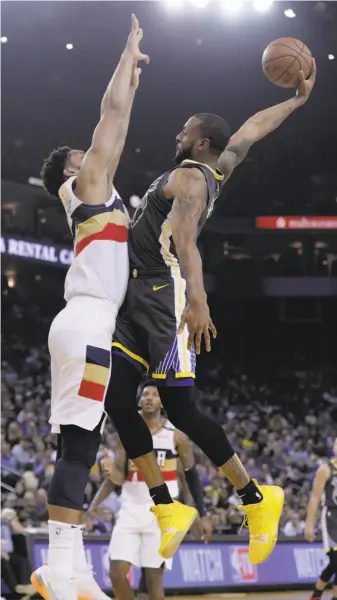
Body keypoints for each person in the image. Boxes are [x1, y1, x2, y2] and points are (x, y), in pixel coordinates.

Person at [103, 61, 317, 565]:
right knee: (116, 397)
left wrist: (197, 300)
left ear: (199, 143)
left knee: (181, 410)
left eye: (187, 129)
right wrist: (296, 101)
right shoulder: (218, 163)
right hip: (136, 297)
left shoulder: (188, 179)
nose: (178, 132)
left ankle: (256, 499)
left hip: (163, 293)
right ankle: (166, 507)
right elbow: (250, 131)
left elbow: (185, 242)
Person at [30, 15, 150, 600]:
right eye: (87, 152)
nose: (95, 149)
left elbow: (118, 123)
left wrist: (131, 78)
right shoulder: (88, 187)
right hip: (87, 321)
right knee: (78, 445)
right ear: (73, 172)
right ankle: (58, 566)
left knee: (79, 444)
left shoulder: (97, 191)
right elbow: (112, 116)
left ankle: (72, 570)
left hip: (84, 321)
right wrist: (125, 57)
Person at [90, 381, 212, 600]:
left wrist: (199, 514)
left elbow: (189, 477)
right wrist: (95, 501)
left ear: (162, 402)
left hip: (162, 512)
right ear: (138, 400)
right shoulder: (126, 433)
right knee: (117, 573)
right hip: (130, 509)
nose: (148, 398)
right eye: (145, 394)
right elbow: (119, 478)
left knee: (154, 576)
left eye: (154, 395)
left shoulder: (176, 435)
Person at [305, 437, 337, 600]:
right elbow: (315, 498)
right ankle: (317, 594)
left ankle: (323, 595)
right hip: (331, 517)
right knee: (336, 559)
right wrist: (310, 524)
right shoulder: (326, 469)